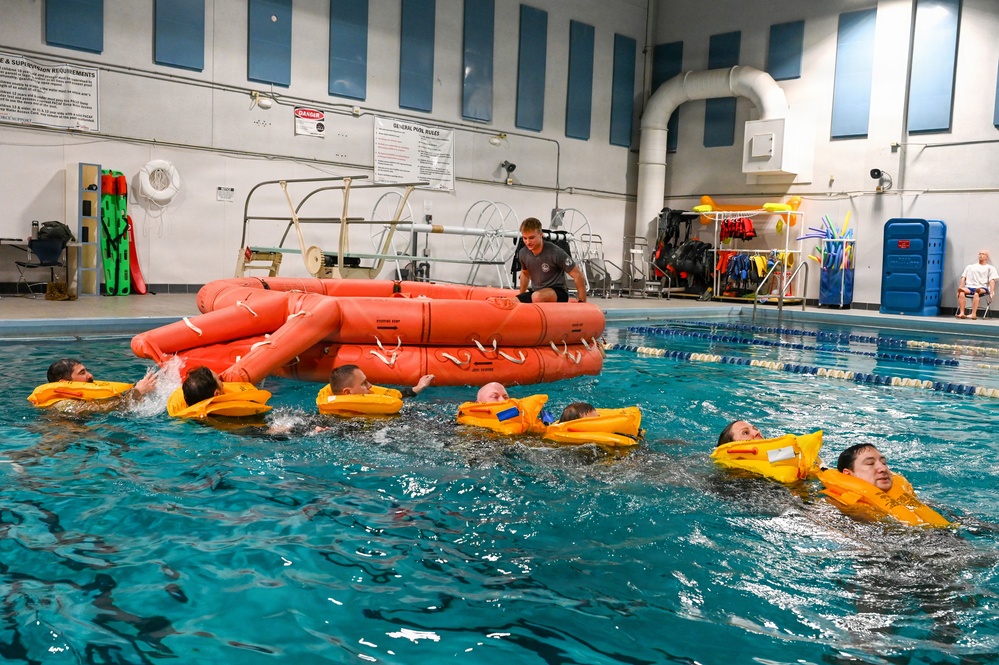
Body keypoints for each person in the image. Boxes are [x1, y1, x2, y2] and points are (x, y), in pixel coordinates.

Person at [32, 357, 158, 413]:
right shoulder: (63, 404)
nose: (90, 375)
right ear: (65, 383)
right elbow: (107, 408)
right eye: (82, 373)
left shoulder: (80, 399)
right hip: (66, 436)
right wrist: (137, 392)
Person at [516, 217, 588, 303]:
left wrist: (582, 302)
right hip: (536, 291)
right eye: (525, 238)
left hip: (558, 292)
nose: (528, 242)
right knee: (514, 302)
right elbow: (525, 273)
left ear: (541, 235)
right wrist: (521, 296)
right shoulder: (523, 253)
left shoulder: (556, 252)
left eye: (531, 238)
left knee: (537, 297)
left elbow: (578, 275)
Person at [328, 364, 433, 397]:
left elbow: (396, 395)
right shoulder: (332, 421)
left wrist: (419, 387)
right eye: (363, 384)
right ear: (347, 392)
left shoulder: (377, 400)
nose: (370, 386)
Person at [956, 250, 998, 319]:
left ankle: (973, 314)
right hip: (970, 287)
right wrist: (960, 288)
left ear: (986, 257)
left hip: (982, 288)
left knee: (977, 292)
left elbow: (992, 280)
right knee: (961, 292)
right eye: (980, 254)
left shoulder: (990, 268)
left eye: (983, 254)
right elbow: (963, 278)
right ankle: (962, 313)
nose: (981, 255)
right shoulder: (970, 267)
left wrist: (991, 293)